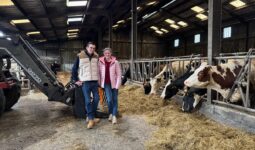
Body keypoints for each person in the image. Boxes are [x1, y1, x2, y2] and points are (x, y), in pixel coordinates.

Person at [71, 42, 100, 129]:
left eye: (94, 48)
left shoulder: (96, 56)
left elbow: (98, 69)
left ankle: (90, 116)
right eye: (91, 48)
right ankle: (91, 119)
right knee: (87, 100)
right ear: (87, 48)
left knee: (97, 98)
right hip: (85, 82)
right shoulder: (80, 56)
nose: (92, 50)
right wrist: (76, 80)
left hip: (94, 81)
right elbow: (74, 69)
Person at [98, 48, 121, 124]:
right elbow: (99, 73)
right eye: (106, 53)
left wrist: (117, 85)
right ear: (104, 54)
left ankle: (114, 116)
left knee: (115, 99)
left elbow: (118, 75)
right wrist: (99, 83)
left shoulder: (116, 62)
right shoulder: (100, 62)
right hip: (106, 84)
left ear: (111, 54)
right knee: (109, 100)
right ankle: (110, 113)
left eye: (109, 53)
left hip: (114, 84)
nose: (107, 54)